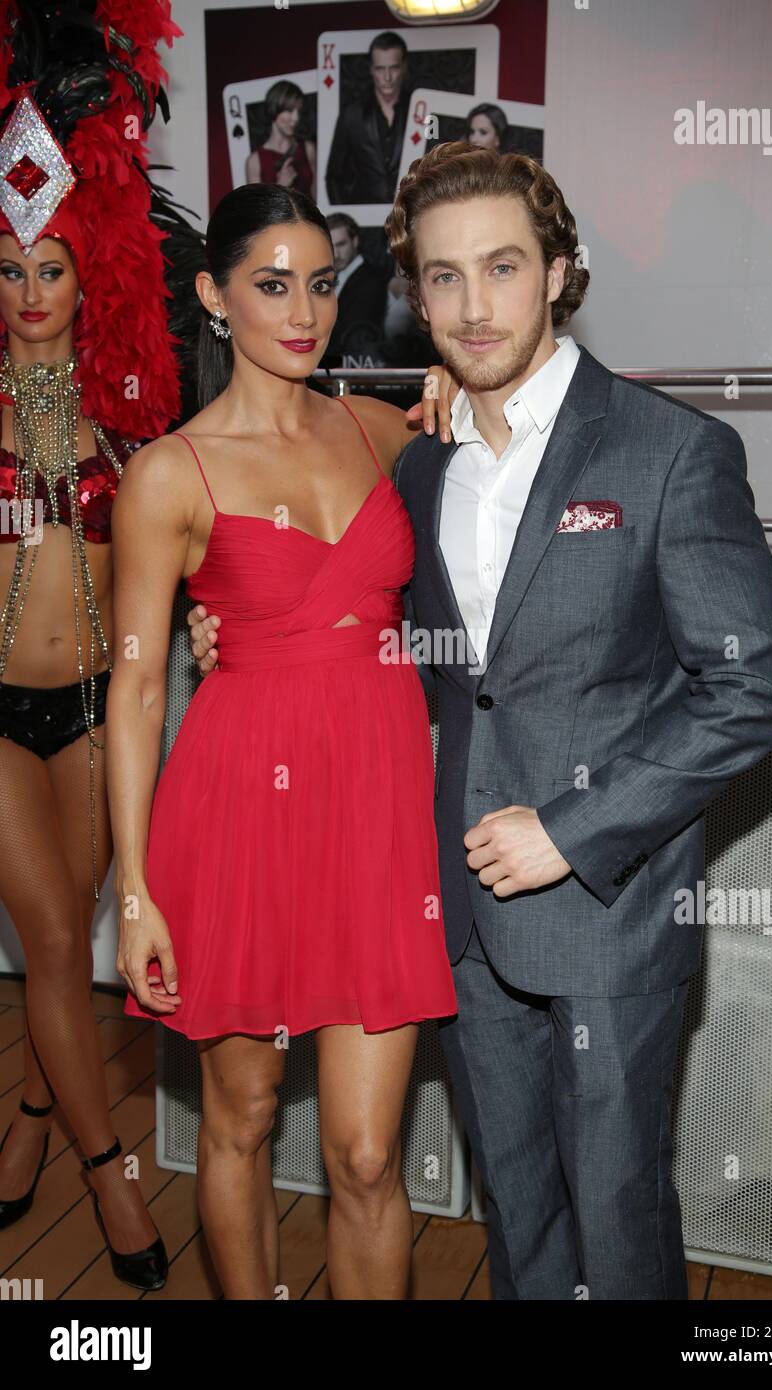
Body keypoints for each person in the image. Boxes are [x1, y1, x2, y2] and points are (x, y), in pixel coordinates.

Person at [189, 142, 772, 1300]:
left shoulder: (669, 451)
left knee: (616, 1224)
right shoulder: (415, 472)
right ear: (415, 296)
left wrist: (569, 828)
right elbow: (402, 657)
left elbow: (751, 685)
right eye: (444, 277)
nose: (474, 308)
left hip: (607, 916)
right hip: (458, 918)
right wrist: (238, 642)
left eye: (503, 268)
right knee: (517, 1218)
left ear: (559, 272)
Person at [108, 182, 458, 1301]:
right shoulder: (170, 472)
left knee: (364, 1152)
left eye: (320, 283)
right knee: (243, 1116)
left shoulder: (380, 426)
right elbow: (137, 689)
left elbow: (506, 453)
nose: (301, 310)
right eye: (270, 285)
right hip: (235, 812)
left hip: (376, 813)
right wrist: (136, 891)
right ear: (215, 297)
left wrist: (462, 379)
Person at [0, 0, 187, 1291]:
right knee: (56, 948)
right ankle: (108, 1171)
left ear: (89, 271)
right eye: (6, 272)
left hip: (100, 704)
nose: (27, 295)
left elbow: (176, 552)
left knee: (75, 936)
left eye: (48, 269)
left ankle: (24, 1122)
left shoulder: (135, 411)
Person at [325, 32, 410, 205]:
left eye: (393, 68)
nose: (387, 77)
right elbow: (334, 177)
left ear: (404, 68)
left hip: (411, 218)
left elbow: (435, 165)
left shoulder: (422, 112)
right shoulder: (351, 115)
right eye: (380, 69)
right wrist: (347, 221)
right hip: (363, 224)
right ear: (372, 70)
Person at [320, 213, 389, 365]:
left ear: (355, 241)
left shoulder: (372, 279)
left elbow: (352, 331)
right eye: (331, 246)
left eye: (341, 244)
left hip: (355, 366)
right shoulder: (329, 277)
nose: (336, 254)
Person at [245, 79, 315, 195]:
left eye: (299, 111)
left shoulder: (309, 149)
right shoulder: (254, 161)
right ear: (274, 108)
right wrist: (280, 186)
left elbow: (318, 202)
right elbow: (255, 212)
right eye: (289, 110)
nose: (296, 118)